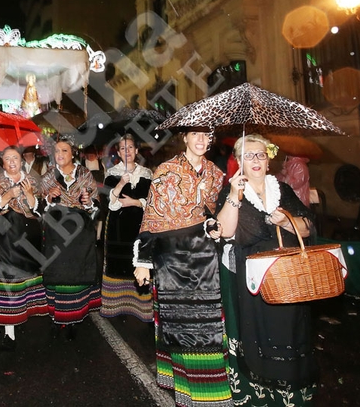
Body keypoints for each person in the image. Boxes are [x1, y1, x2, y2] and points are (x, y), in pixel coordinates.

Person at [216, 134, 318, 405]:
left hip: (287, 274)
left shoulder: (282, 190)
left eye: (260, 154)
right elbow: (224, 231)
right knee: (254, 333)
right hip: (251, 278)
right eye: (248, 155)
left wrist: (287, 221)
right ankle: (255, 397)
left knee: (290, 329)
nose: (256, 160)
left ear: (269, 159)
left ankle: (290, 397)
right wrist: (235, 196)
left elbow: (308, 226)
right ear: (239, 162)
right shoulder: (230, 190)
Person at [133, 127, 231, 407]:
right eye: (195, 135)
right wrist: (142, 262)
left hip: (204, 259)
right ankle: (184, 393)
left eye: (206, 136)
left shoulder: (215, 173)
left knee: (207, 327)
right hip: (171, 259)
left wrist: (212, 223)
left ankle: (210, 395)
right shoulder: (166, 170)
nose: (201, 140)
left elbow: (212, 213)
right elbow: (151, 217)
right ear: (185, 138)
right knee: (178, 326)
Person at [0, 146, 48, 351]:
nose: (11, 161)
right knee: (9, 284)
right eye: (7, 158)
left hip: (29, 238)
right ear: (2, 162)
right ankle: (9, 332)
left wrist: (30, 196)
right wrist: (6, 196)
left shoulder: (33, 179)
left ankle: (25, 315)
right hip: (7, 238)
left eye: (15, 157)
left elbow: (40, 210)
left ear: (22, 161)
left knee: (26, 282)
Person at [41, 137, 101, 340]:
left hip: (79, 234)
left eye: (64, 151)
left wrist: (88, 200)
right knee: (57, 274)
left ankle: (74, 318)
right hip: (56, 233)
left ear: (72, 153)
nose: (59, 155)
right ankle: (57, 318)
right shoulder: (49, 176)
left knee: (75, 274)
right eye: (57, 151)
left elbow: (95, 205)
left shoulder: (84, 174)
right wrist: (49, 196)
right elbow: (39, 206)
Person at [100, 134, 153, 322]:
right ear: (118, 152)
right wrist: (121, 182)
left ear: (136, 150)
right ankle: (118, 308)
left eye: (130, 147)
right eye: (123, 148)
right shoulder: (112, 173)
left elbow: (153, 202)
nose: (127, 151)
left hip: (141, 226)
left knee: (140, 263)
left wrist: (135, 202)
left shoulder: (147, 173)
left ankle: (143, 311)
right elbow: (109, 203)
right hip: (118, 227)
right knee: (119, 266)